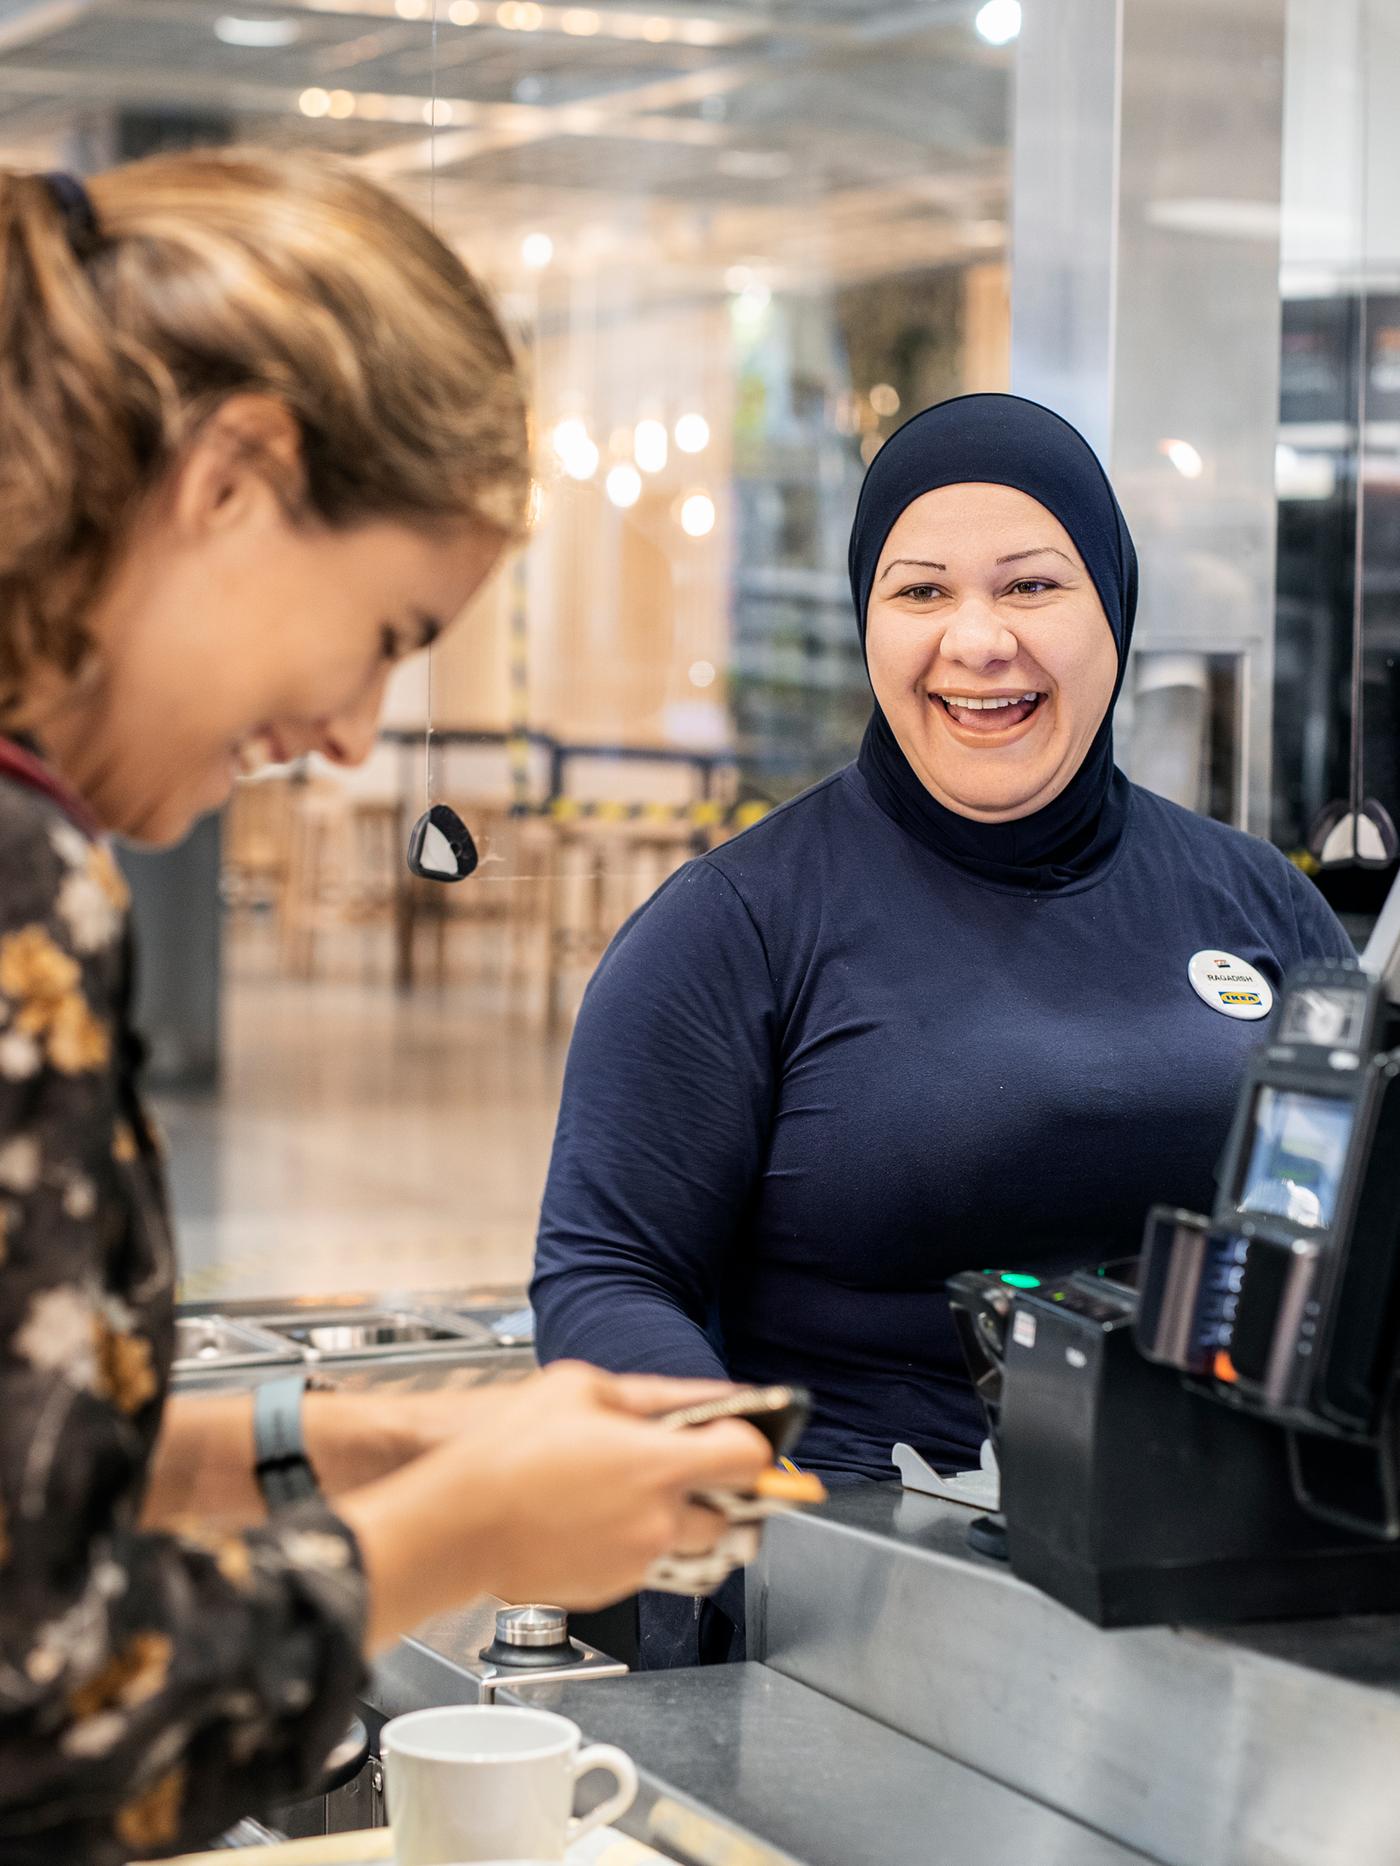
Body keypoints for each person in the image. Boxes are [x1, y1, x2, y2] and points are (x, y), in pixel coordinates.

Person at [0, 152, 770, 1864]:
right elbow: (47, 1717)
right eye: (382, 632)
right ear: (238, 475)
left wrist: (339, 1442)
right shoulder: (19, 882)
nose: (356, 734)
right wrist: (468, 1521)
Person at [530, 392, 1355, 1666]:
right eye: (919, 594)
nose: (975, 642)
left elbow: (1356, 1224)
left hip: (1232, 1575)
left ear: (1112, 614)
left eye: (1029, 586)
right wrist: (725, 1480)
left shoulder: (1255, 902)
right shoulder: (736, 926)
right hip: (852, 1589)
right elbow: (605, 1274)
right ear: (867, 623)